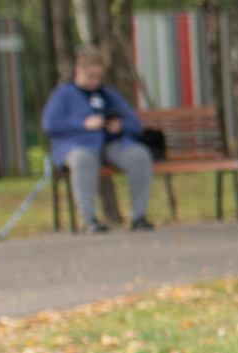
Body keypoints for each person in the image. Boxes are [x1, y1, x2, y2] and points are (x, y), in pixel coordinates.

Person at [41, 46, 154, 232]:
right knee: (83, 159)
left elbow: (135, 123)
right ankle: (89, 220)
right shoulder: (63, 94)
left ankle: (138, 217)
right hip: (76, 145)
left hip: (112, 145)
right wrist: (83, 124)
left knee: (139, 155)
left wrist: (121, 126)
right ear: (79, 69)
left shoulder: (108, 94)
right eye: (91, 76)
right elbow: (50, 125)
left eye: (98, 76)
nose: (95, 81)